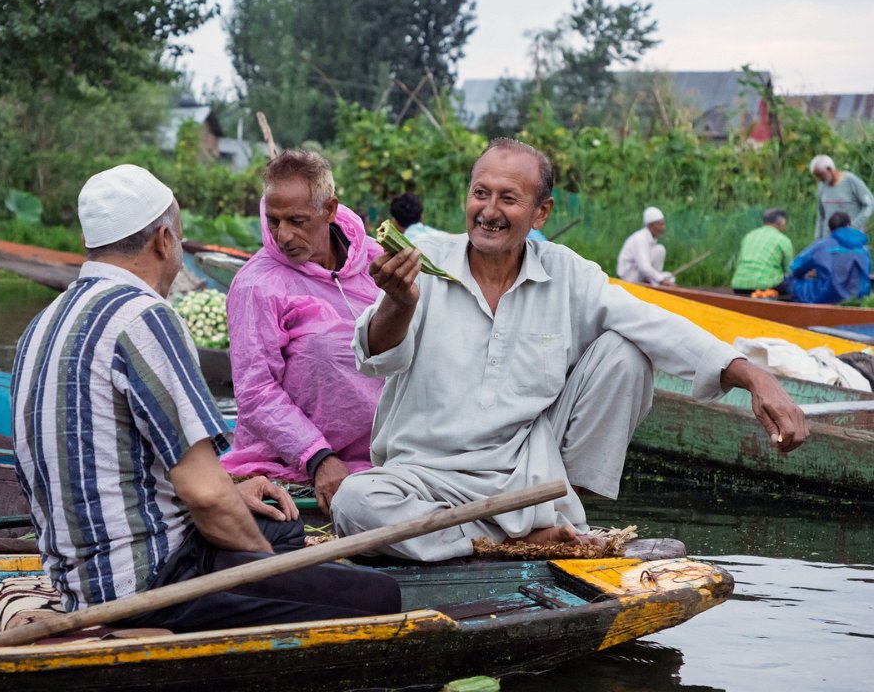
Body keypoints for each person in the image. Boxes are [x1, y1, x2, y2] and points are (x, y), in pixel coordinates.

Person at [330, 139, 808, 562]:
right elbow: (373, 355)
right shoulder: (426, 264)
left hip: (528, 475)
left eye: (508, 198)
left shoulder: (567, 273)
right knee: (355, 500)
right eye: (481, 193)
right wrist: (399, 301)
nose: (489, 211)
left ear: (541, 213)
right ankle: (515, 539)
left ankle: (559, 514)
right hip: (425, 476)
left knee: (627, 350)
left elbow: (655, 324)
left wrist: (754, 377)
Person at [11, 164, 399, 632]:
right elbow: (204, 495)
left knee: (283, 526)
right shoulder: (143, 317)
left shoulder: (42, 323)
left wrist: (234, 491)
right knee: (379, 596)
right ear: (163, 240)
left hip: (81, 583)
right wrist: (269, 575)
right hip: (152, 584)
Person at [218, 150, 384, 515]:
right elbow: (256, 390)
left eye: (297, 220)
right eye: (274, 221)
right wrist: (317, 457)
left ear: (329, 210)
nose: (283, 235)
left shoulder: (376, 262)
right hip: (298, 465)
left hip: (385, 457)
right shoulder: (257, 285)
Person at [789, 212, 872, 304]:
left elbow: (796, 268)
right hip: (858, 297)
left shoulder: (821, 245)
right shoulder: (864, 249)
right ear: (849, 225)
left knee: (791, 281)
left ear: (829, 229)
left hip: (826, 297)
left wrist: (802, 274)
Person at [731, 209, 794, 297]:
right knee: (794, 282)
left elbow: (738, 263)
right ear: (781, 223)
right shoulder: (783, 239)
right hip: (766, 287)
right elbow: (790, 270)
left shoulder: (749, 236)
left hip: (738, 285)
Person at [810, 155, 873, 239]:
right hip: (829, 239)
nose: (819, 179)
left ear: (829, 169)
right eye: (816, 176)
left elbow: (870, 204)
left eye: (820, 175)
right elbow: (821, 215)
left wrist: (854, 226)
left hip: (850, 239)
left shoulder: (851, 181)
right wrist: (818, 239)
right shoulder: (822, 186)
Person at [617, 207, 675, 286]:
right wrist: (661, 280)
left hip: (638, 273)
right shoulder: (640, 239)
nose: (663, 227)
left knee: (660, 251)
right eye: (660, 224)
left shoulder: (650, 238)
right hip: (629, 277)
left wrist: (660, 279)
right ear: (650, 226)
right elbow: (644, 266)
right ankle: (654, 283)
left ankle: (653, 282)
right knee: (660, 251)